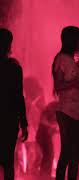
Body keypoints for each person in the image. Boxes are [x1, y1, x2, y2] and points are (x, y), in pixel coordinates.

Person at [52, 26, 79, 180]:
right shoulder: (61, 59)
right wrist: (76, 83)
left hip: (77, 111)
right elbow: (58, 86)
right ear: (74, 41)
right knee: (67, 151)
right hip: (65, 111)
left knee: (76, 152)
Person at [0, 28, 28, 180]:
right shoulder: (14, 68)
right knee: (7, 160)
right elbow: (18, 97)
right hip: (9, 120)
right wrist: (23, 123)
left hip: (8, 119)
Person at [36, 101, 59, 178]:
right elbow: (42, 120)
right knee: (49, 155)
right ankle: (44, 176)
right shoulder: (53, 106)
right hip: (43, 135)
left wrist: (56, 130)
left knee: (48, 156)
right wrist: (52, 126)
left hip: (46, 135)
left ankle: (44, 176)